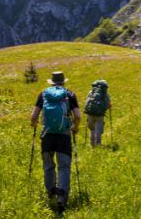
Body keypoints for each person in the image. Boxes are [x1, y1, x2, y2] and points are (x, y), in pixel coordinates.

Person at [30, 71, 81, 210]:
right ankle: (62, 198)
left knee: (48, 165)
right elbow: (77, 116)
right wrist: (75, 128)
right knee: (63, 166)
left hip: (47, 135)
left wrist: (35, 126)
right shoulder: (70, 94)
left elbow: (33, 117)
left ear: (52, 82)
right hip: (63, 136)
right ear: (64, 81)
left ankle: (50, 193)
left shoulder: (43, 94)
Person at [85, 80, 112, 147]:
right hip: (100, 114)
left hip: (90, 113)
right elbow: (109, 105)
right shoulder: (105, 94)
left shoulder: (91, 92)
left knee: (92, 129)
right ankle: (98, 144)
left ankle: (92, 144)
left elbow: (87, 102)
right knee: (98, 129)